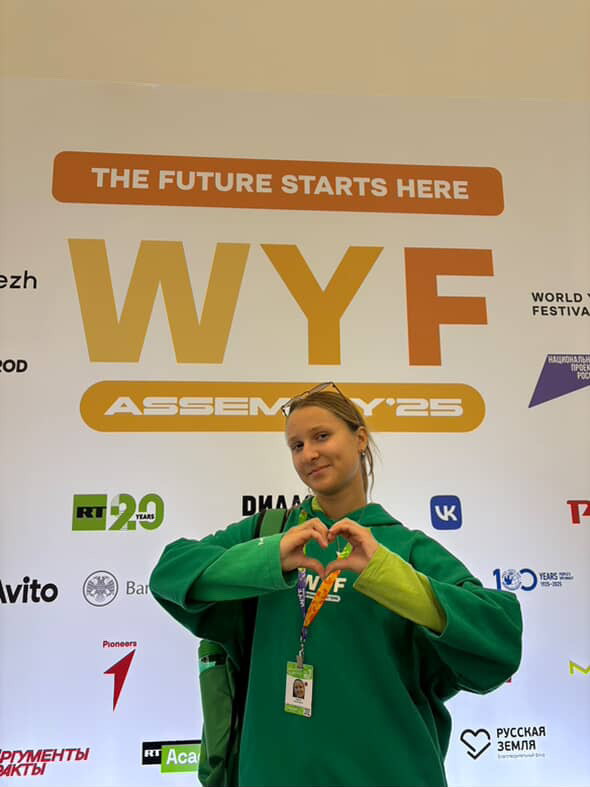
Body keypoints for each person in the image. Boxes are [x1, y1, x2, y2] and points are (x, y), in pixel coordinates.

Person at [150, 382, 523, 787]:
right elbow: (170, 571)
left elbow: (499, 637)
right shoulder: (269, 534)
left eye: (322, 436)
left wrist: (387, 574)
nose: (308, 454)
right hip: (273, 773)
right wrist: (269, 559)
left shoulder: (405, 547)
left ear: (360, 439)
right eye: (296, 445)